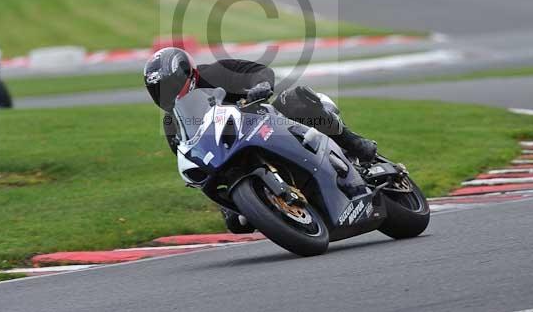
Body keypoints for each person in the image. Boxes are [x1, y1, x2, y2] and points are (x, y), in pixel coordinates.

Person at [143, 46, 378, 233]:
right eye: (158, 89)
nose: (166, 92)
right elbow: (191, 155)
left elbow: (259, 71)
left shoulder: (216, 72)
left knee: (295, 99)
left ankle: (353, 142)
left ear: (186, 72)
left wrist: (261, 85)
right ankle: (273, 207)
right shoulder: (171, 123)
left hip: (264, 121)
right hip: (228, 152)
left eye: (169, 84)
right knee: (236, 223)